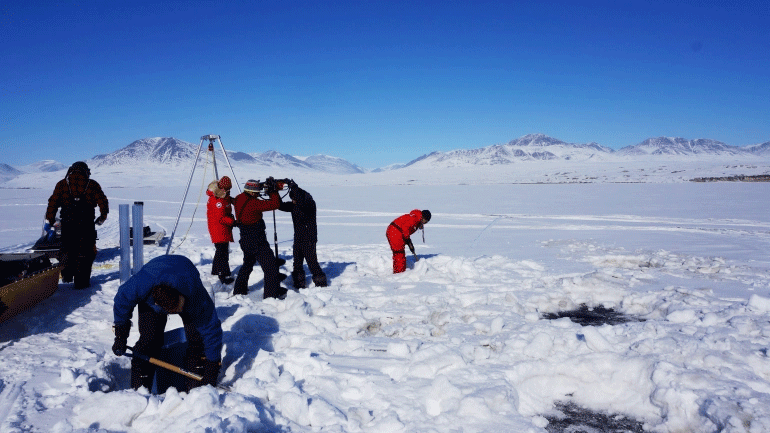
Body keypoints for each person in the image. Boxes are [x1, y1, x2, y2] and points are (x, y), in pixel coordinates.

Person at [111, 255, 223, 392]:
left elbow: (211, 328)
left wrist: (212, 365)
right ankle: (140, 388)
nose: (177, 313)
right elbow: (122, 300)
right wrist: (121, 335)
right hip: (153, 285)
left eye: (179, 308)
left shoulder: (194, 292)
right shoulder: (142, 284)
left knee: (197, 340)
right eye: (173, 311)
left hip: (184, 273)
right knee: (150, 340)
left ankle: (197, 386)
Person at [44, 161, 109, 289]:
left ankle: (67, 276)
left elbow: (53, 203)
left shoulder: (62, 184)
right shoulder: (92, 184)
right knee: (85, 252)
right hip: (86, 225)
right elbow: (103, 202)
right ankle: (82, 283)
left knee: (67, 250)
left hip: (68, 225)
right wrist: (102, 217)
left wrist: (49, 221)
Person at [232, 177, 286, 298]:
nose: (258, 194)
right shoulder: (253, 203)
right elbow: (275, 204)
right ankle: (271, 295)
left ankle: (239, 291)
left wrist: (262, 186)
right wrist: (273, 191)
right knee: (270, 267)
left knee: (247, 264)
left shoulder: (239, 198)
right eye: (256, 192)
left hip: (245, 239)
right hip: (257, 240)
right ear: (251, 192)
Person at [279, 180, 327, 288]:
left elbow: (301, 203)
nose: (293, 201)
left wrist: (294, 187)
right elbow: (280, 205)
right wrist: (274, 193)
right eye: (292, 199)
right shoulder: (295, 204)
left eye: (294, 199)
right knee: (297, 263)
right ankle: (298, 284)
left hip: (309, 237)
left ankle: (321, 285)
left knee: (312, 262)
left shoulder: (309, 203)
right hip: (298, 237)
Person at [206, 176, 235, 284]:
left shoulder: (222, 195)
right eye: (228, 189)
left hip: (219, 227)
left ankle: (215, 270)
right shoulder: (218, 200)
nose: (229, 191)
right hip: (219, 228)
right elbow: (221, 217)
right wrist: (233, 222)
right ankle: (223, 274)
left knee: (220, 250)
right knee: (222, 251)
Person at [386, 209, 431, 274]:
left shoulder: (416, 218)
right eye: (425, 221)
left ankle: (398, 271)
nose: (425, 223)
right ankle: (399, 273)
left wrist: (409, 242)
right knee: (399, 253)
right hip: (395, 231)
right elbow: (405, 228)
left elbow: (406, 230)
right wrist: (408, 241)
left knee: (399, 253)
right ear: (423, 217)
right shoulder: (415, 218)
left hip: (395, 231)